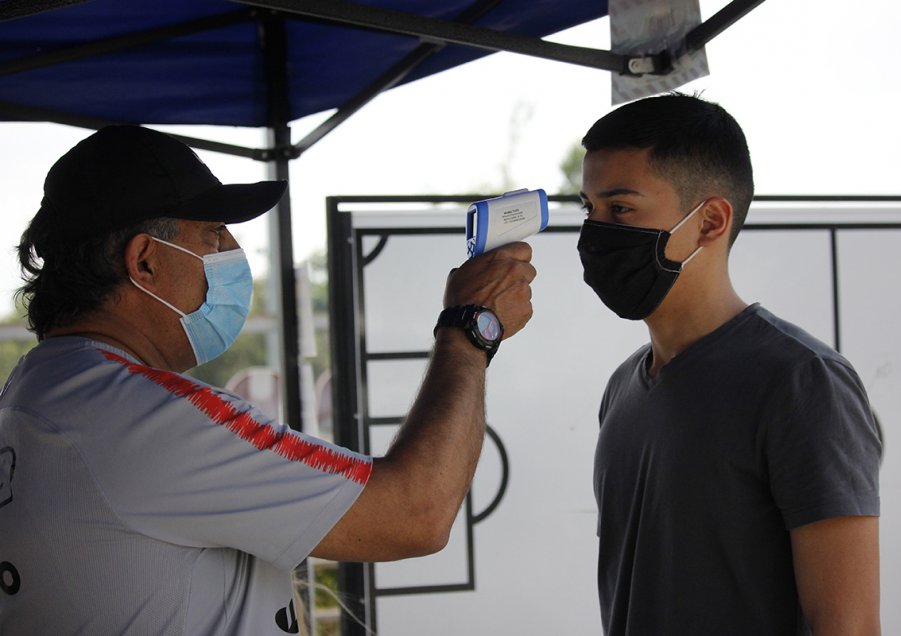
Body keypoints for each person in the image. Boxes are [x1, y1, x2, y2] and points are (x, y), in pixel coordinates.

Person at [0, 125, 535, 634]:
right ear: (145, 262)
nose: (232, 252)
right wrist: (471, 326)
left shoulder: (33, 397)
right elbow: (415, 512)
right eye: (213, 235)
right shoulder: (148, 418)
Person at [576, 94, 881, 635]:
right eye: (588, 209)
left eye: (620, 209)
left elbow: (849, 626)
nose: (594, 232)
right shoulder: (623, 387)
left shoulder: (801, 381)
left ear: (711, 221)